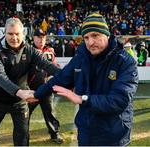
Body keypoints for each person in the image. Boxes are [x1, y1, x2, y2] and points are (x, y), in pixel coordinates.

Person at [27, 13, 139, 146]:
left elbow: (119, 100)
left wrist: (82, 99)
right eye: (86, 37)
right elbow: (60, 78)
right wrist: (37, 94)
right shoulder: (81, 57)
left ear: (107, 35)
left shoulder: (125, 62)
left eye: (95, 35)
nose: (90, 42)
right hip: (86, 133)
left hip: (113, 136)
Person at [0, 17, 60, 146]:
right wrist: (20, 92)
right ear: (4, 33)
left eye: (17, 34)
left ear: (23, 34)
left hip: (19, 102)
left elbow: (48, 65)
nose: (14, 38)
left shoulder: (29, 49)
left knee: (22, 136)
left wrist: (69, 78)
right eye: (10, 34)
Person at [28, 29, 63, 144]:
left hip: (46, 89)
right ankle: (23, 134)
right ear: (34, 38)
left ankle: (54, 134)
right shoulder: (28, 51)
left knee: (50, 113)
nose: (41, 39)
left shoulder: (49, 51)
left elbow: (53, 67)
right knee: (25, 114)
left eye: (43, 37)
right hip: (31, 90)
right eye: (38, 37)